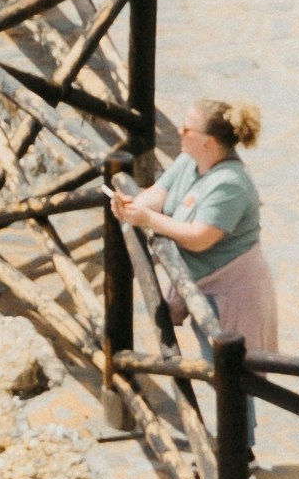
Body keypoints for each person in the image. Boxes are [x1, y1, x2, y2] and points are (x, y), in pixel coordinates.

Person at [115, 93, 276, 352]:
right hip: (202, 284)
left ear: (209, 142)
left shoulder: (230, 185)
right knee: (213, 367)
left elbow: (199, 238)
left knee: (234, 376)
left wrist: (147, 219)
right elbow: (158, 194)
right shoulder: (189, 160)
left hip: (233, 294)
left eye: (188, 129)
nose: (179, 131)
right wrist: (131, 205)